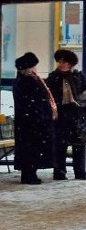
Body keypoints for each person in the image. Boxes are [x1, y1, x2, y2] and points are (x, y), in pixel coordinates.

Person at [12, 52, 56, 184]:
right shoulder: (27, 82)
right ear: (28, 68)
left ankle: (30, 173)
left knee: (31, 149)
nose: (36, 69)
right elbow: (34, 102)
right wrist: (41, 115)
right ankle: (29, 174)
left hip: (31, 121)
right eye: (34, 66)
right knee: (31, 149)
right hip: (32, 122)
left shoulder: (27, 81)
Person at [46, 49, 86, 180]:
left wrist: (82, 107)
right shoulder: (53, 77)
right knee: (60, 145)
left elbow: (85, 93)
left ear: (70, 64)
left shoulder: (78, 76)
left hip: (76, 113)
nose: (61, 63)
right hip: (61, 114)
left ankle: (80, 171)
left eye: (64, 61)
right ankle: (59, 172)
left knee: (79, 145)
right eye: (59, 61)